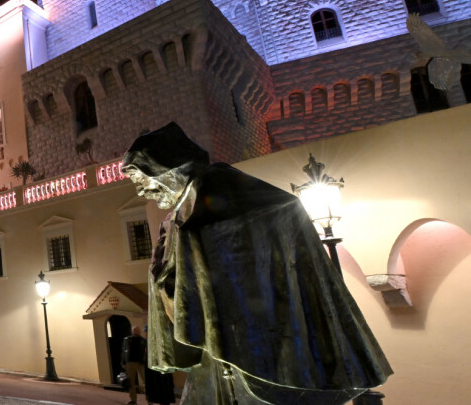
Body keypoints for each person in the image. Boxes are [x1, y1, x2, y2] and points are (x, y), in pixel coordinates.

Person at [123, 122, 393, 405]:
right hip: (214, 357)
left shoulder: (223, 189)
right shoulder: (179, 215)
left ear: (167, 169)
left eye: (143, 181)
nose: (143, 193)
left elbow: (256, 235)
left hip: (254, 359)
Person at [144, 325, 176, 405]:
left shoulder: (158, 341)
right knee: (161, 392)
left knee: (163, 390)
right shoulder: (150, 342)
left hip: (160, 372)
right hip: (156, 371)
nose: (146, 334)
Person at [121, 325, 147, 405]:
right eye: (134, 330)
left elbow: (146, 352)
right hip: (130, 362)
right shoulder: (127, 339)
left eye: (137, 330)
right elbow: (124, 351)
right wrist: (123, 362)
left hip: (140, 363)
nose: (136, 332)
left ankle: (149, 400)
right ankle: (133, 399)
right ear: (132, 331)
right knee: (131, 382)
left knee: (145, 381)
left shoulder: (143, 340)